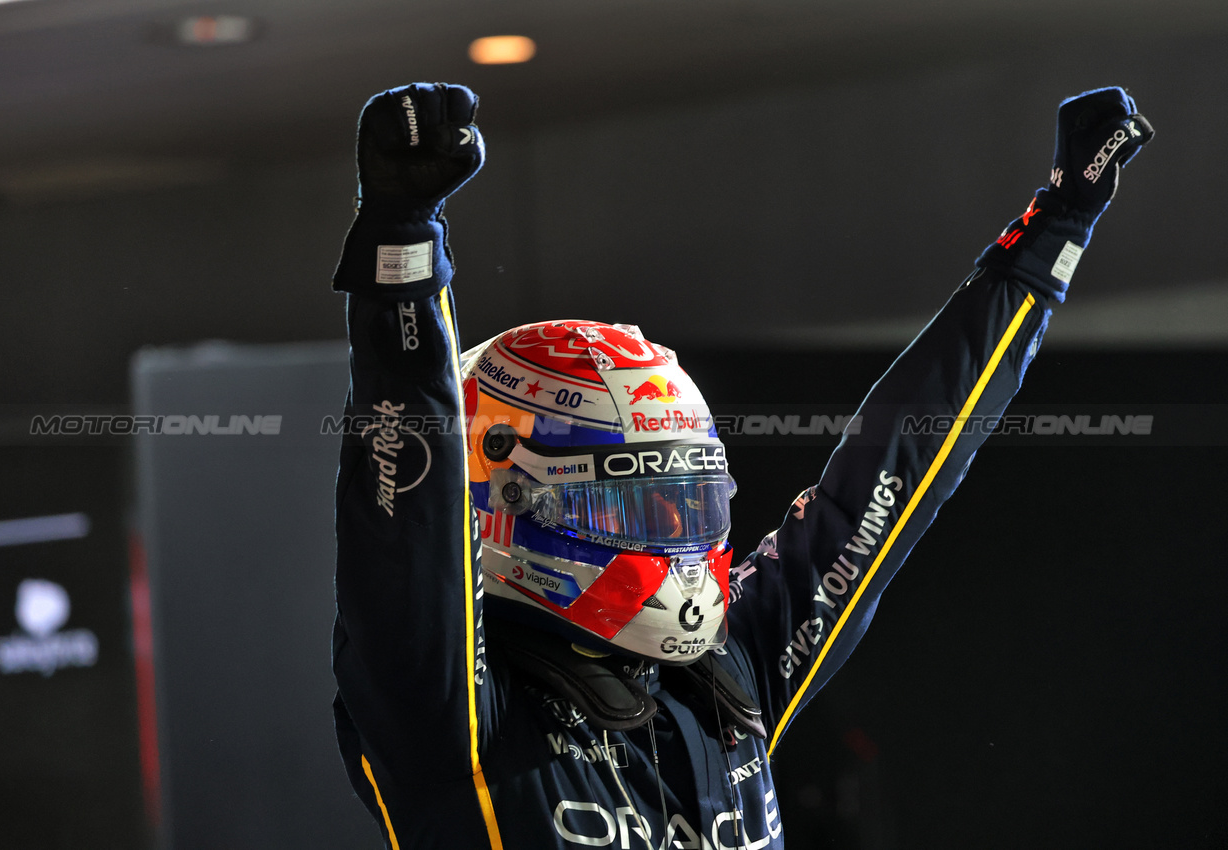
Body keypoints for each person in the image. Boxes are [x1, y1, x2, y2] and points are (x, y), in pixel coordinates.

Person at [329, 82, 1151, 849]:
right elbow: (409, 511)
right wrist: (402, 240)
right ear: (506, 503)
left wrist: (1055, 230)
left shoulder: (726, 671)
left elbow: (899, 462)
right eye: (636, 507)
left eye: (689, 500)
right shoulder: (441, 698)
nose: (678, 539)